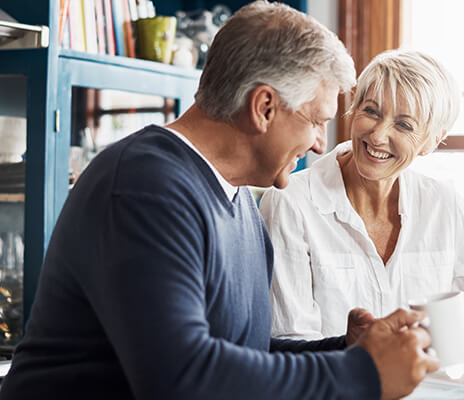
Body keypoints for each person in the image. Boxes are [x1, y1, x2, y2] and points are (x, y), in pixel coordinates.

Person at [0, 2, 439, 400]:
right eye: (318, 121)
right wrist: (361, 372)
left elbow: (237, 353)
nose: (320, 145)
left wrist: (343, 347)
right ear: (264, 107)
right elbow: (183, 377)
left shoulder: (239, 200)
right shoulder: (143, 186)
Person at [260, 49, 464, 341]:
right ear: (353, 109)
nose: (379, 136)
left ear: (431, 141)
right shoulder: (290, 202)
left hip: (433, 384)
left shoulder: (444, 204)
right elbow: (290, 342)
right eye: (371, 111)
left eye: (404, 125)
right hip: (337, 385)